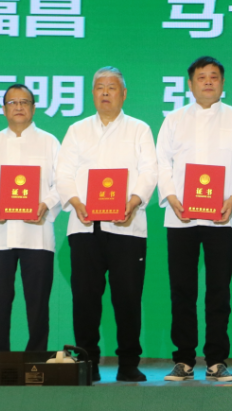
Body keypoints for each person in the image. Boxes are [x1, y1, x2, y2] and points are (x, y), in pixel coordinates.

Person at [55, 66, 158, 382]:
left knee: (128, 297)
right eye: (100, 87)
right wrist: (75, 201)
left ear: (123, 94)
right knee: (85, 298)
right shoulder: (77, 130)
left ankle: (128, 363)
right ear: (92, 93)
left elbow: (149, 171)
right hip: (85, 226)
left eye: (112, 87)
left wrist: (134, 201)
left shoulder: (139, 129)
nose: (105, 92)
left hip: (127, 226)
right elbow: (63, 172)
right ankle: (88, 361)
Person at [156, 57, 232, 383]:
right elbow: (162, 163)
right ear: (190, 84)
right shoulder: (174, 120)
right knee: (182, 290)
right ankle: (183, 360)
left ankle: (216, 360)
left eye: (214, 77)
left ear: (223, 83)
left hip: (223, 216)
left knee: (218, 290)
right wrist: (171, 197)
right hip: (181, 217)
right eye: (201, 77)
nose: (208, 82)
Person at [0, 84, 60, 354]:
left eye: (24, 102)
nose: (18, 107)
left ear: (34, 108)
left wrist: (46, 204)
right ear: (4, 109)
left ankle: (36, 360)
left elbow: (63, 183)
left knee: (38, 303)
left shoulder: (50, 143)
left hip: (38, 234)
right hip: (0, 235)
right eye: (12, 102)